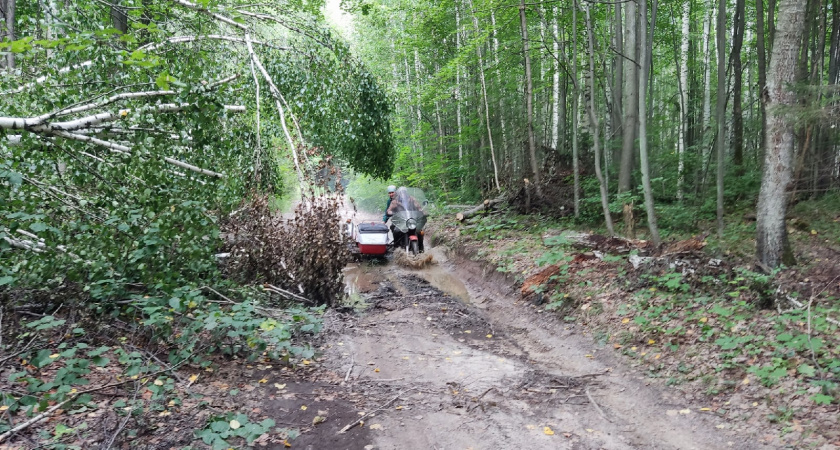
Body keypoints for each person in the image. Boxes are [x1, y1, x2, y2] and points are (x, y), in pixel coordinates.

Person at [386, 187, 425, 253]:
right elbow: (389, 210)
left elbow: (418, 207)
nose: (403, 194)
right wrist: (391, 212)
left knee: (420, 232)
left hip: (411, 220)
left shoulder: (411, 199)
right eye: (401, 192)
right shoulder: (395, 201)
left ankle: (421, 248)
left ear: (406, 192)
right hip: (400, 221)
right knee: (396, 231)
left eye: (404, 192)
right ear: (399, 194)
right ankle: (396, 247)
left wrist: (422, 212)